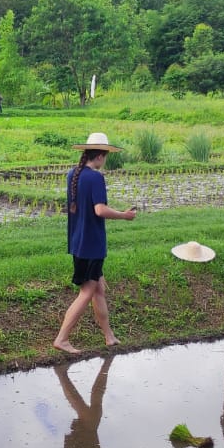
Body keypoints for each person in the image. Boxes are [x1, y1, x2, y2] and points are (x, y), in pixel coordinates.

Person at [53, 132, 137, 354]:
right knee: (87, 292)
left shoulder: (74, 174)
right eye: (106, 155)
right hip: (92, 244)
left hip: (78, 242)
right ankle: (62, 339)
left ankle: (109, 336)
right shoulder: (96, 178)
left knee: (98, 288)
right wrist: (124, 215)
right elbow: (99, 210)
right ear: (100, 155)